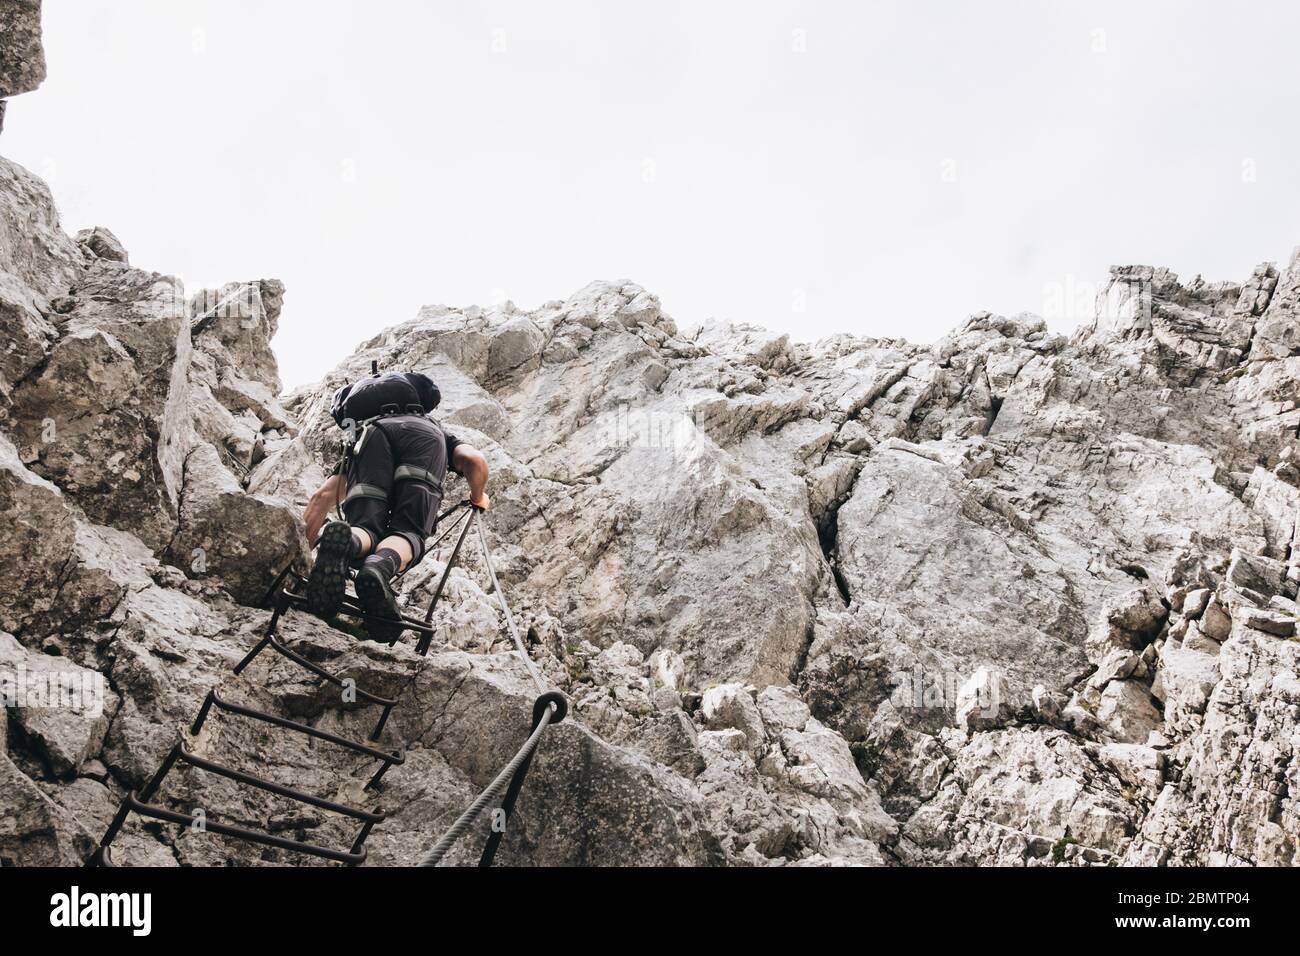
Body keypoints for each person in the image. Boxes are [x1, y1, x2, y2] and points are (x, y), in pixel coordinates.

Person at [301, 369, 489, 641]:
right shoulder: (437, 431)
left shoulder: (368, 430)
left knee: (364, 526)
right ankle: (378, 567)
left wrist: (300, 559)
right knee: (408, 531)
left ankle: (347, 542)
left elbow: (322, 497)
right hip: (426, 444)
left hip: (373, 437)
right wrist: (478, 496)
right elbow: (475, 462)